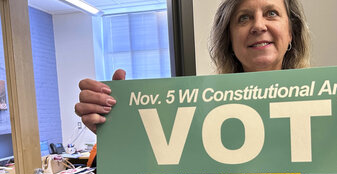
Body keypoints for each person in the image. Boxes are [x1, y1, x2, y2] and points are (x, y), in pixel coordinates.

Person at [75, 0, 311, 132]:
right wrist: (117, 127)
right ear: (229, 40)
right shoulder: (197, 113)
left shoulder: (328, 105)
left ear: (291, 33)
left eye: (271, 13)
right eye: (244, 17)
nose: (258, 26)